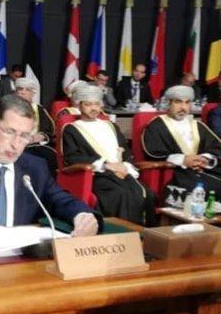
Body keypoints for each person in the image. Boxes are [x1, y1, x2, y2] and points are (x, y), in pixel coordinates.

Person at [0, 94, 99, 236]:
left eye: (24, 136)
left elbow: (62, 200)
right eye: (9, 132)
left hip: (18, 257)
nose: (16, 144)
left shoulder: (36, 168)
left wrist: (83, 216)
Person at [62, 85, 156, 225]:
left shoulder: (111, 125)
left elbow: (125, 150)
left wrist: (124, 166)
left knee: (147, 193)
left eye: (97, 104)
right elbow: (72, 157)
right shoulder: (72, 129)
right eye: (88, 104)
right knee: (120, 194)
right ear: (79, 106)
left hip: (122, 172)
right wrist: (107, 165)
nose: (94, 108)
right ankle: (122, 233)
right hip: (98, 175)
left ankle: (143, 234)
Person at [142, 85, 221, 198]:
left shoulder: (197, 125)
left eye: (187, 103)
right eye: (178, 102)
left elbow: (215, 147)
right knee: (198, 189)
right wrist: (183, 159)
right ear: (168, 103)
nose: (183, 107)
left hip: (204, 169)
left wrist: (204, 159)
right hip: (177, 171)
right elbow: (154, 152)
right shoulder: (157, 125)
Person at [14, 76, 57, 174]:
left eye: (27, 90)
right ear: (15, 92)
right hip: (16, 144)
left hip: (36, 145)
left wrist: (41, 136)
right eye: (20, 89)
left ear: (33, 93)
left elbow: (49, 130)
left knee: (50, 157)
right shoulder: (7, 107)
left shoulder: (38, 109)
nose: (23, 92)